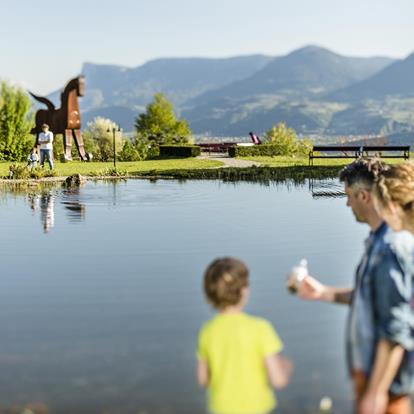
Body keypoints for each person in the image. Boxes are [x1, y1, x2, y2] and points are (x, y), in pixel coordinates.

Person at [295, 158, 414, 414]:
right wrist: (323, 293)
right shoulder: (377, 242)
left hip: (385, 383)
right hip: (373, 376)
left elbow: (395, 328)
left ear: (364, 196)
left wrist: (375, 392)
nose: (347, 203)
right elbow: (370, 299)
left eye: (348, 195)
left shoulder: (389, 249)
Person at [197, 257, 292, 414]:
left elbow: (203, 380)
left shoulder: (207, 331)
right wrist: (286, 367)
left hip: (220, 408)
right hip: (257, 408)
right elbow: (278, 380)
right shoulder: (260, 328)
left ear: (209, 293)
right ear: (244, 290)